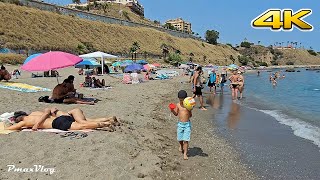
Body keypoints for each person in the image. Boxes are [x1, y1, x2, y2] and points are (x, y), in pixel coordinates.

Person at [5, 107, 119, 131]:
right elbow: (48, 111)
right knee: (85, 121)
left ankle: (105, 124)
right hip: (61, 117)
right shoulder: (36, 112)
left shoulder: (25, 122)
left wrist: (8, 125)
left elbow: (12, 128)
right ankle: (108, 120)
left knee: (82, 126)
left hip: (57, 123)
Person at [170, 90, 193, 160]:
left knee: (186, 140)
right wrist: (172, 110)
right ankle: (181, 145)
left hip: (187, 125)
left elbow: (190, 116)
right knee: (180, 139)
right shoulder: (178, 105)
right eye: (180, 100)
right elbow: (176, 114)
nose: (181, 102)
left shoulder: (188, 106)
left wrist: (189, 110)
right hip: (180, 124)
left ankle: (185, 154)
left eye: (183, 100)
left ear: (186, 99)